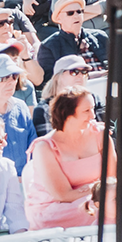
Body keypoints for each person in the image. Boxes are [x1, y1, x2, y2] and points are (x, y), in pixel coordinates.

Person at [24, 89, 104, 229]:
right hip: (57, 207)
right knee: (105, 208)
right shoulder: (45, 147)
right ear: (66, 114)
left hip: (96, 197)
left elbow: (112, 175)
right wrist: (97, 189)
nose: (93, 115)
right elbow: (63, 195)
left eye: (93, 109)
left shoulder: (100, 134)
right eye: (86, 111)